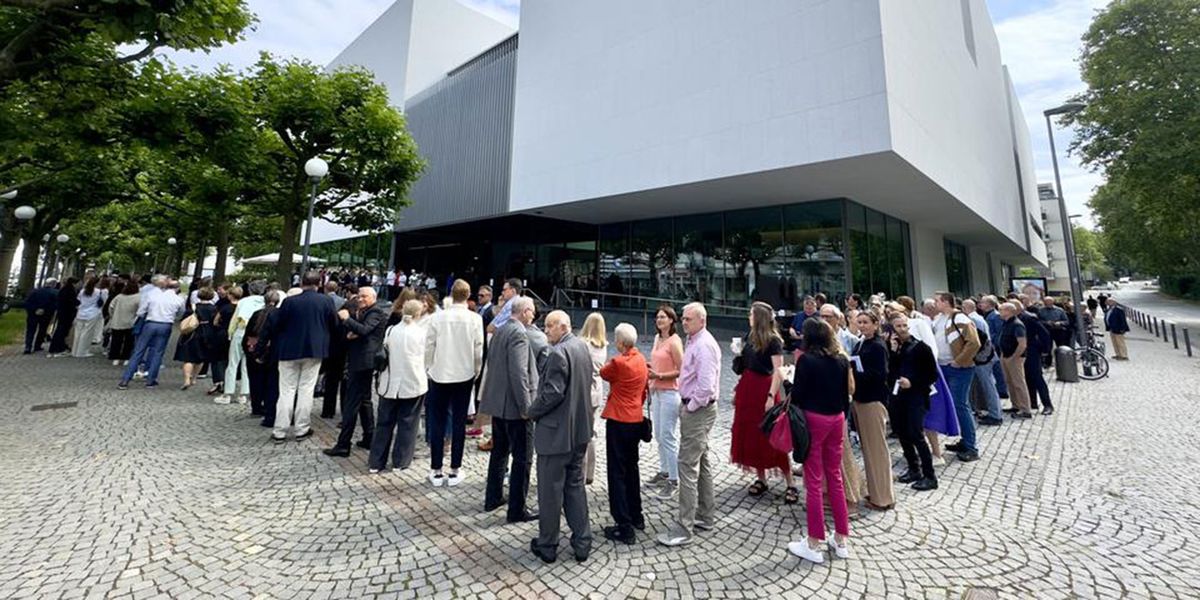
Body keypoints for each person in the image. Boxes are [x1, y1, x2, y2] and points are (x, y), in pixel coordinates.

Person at [528, 310, 594, 564]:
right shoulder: (581, 346)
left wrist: (531, 412)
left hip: (557, 435)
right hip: (579, 432)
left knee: (550, 492)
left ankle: (548, 545)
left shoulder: (558, 353)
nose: (545, 331)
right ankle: (582, 542)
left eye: (548, 327)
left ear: (562, 326)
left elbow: (552, 393)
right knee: (575, 487)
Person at [787, 318, 855, 564]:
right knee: (834, 477)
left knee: (813, 481)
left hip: (814, 419)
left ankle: (814, 542)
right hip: (837, 418)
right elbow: (845, 394)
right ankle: (841, 539)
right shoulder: (841, 359)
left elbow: (799, 394)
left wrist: (788, 382)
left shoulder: (806, 360)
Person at [657, 302, 720, 548]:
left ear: (701, 320)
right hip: (697, 408)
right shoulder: (694, 340)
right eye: (682, 319)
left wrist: (690, 407)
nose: (683, 322)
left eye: (688, 319)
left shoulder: (704, 345)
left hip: (698, 409)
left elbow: (705, 387)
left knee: (687, 466)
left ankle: (685, 527)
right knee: (701, 462)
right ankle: (705, 515)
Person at [255, 272, 339, 443]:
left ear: (302, 283)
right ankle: (302, 428)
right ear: (319, 283)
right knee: (306, 390)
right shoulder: (326, 301)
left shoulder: (289, 302)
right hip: (314, 350)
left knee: (286, 390)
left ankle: (280, 430)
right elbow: (334, 325)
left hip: (288, 350)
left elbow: (277, 324)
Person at [480, 296, 540, 522]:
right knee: (523, 458)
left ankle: (493, 497)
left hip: (499, 404)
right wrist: (526, 407)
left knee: (499, 453)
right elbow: (519, 373)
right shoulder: (518, 334)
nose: (533, 316)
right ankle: (517, 509)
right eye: (532, 312)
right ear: (524, 311)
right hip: (514, 408)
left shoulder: (500, 330)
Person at [730, 302, 795, 503]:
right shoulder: (750, 336)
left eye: (751, 313)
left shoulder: (774, 340)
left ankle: (790, 482)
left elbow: (778, 370)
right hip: (748, 386)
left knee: (772, 434)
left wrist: (770, 396)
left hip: (764, 388)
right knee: (752, 433)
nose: (748, 316)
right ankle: (761, 478)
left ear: (758, 316)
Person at [424, 279, 484, 486]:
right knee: (459, 422)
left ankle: (436, 469)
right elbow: (478, 349)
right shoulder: (475, 319)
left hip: (439, 373)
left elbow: (429, 345)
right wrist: (475, 371)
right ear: (468, 296)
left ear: (451, 294)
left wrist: (428, 368)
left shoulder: (438, 318)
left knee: (437, 420)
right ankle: (455, 469)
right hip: (464, 374)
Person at [599, 323, 649, 545]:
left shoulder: (618, 362)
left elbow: (603, 372)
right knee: (632, 468)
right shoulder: (640, 359)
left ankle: (624, 525)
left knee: (617, 472)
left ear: (619, 342)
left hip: (619, 420)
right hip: (635, 420)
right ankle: (636, 515)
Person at [323, 287, 387, 456]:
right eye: (359, 296)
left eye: (364, 296)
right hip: (359, 360)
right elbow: (361, 330)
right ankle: (369, 438)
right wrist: (353, 330)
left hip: (363, 363)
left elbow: (365, 330)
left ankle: (344, 444)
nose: (360, 299)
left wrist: (346, 320)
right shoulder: (365, 311)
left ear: (373, 297)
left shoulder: (376, 312)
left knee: (352, 404)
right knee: (365, 401)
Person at [370, 298, 428, 471]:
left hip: (389, 382)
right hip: (412, 382)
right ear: (419, 313)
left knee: (383, 423)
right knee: (408, 423)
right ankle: (401, 461)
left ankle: (376, 462)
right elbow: (427, 358)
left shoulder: (391, 330)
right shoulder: (421, 333)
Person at [886, 314, 939, 491]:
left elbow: (932, 375)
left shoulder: (921, 348)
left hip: (916, 397)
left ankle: (930, 475)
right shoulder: (894, 348)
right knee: (903, 433)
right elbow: (891, 372)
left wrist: (913, 382)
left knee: (916, 434)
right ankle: (913, 468)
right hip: (898, 397)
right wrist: (893, 352)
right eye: (898, 326)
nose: (902, 329)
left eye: (904, 325)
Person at [932, 292, 981, 462]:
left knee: (961, 405)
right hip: (944, 366)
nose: (934, 303)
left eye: (937, 300)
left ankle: (971, 446)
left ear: (946, 302)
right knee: (954, 404)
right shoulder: (939, 319)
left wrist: (959, 361)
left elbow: (973, 342)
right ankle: (964, 441)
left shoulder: (959, 318)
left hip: (959, 368)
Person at [851, 310, 894, 510]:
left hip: (873, 400)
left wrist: (855, 374)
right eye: (859, 322)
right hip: (860, 398)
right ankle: (874, 492)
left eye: (866, 322)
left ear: (876, 324)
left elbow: (880, 374)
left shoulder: (877, 346)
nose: (862, 325)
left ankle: (883, 497)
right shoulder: (860, 343)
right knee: (868, 450)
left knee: (877, 450)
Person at [118, 276, 185, 389]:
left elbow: (142, 310)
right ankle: (151, 380)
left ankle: (125, 379)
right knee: (158, 353)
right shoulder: (178, 299)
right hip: (166, 324)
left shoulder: (152, 295)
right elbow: (180, 313)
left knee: (138, 351)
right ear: (177, 288)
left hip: (150, 323)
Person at [646, 305, 683, 497]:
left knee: (668, 436)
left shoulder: (674, 342)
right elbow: (656, 362)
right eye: (657, 317)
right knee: (659, 435)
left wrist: (659, 375)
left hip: (670, 393)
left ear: (671, 320)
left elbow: (681, 369)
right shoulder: (657, 338)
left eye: (663, 317)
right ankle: (664, 471)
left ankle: (674, 479)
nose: (659, 320)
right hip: (657, 391)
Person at [217, 282, 264, 405]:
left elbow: (235, 319)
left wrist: (230, 333)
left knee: (233, 363)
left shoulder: (244, 302)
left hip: (241, 331)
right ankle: (244, 394)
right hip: (255, 336)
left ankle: (228, 393)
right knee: (247, 365)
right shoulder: (264, 302)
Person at [962, 298, 1003, 426]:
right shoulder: (978, 318)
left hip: (982, 358)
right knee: (986, 385)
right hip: (985, 356)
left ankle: (995, 415)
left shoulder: (973, 320)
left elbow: (979, 341)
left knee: (988, 385)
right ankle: (990, 412)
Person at [579, 312, 609, 486]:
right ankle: (590, 472)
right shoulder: (603, 346)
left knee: (582, 432)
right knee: (592, 433)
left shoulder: (583, 345)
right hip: (597, 390)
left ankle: (581, 471)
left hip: (584, 389)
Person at [244, 290, 281, 423]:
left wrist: (250, 351)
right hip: (271, 351)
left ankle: (256, 406)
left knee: (255, 379)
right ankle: (268, 406)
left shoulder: (256, 314)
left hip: (254, 348)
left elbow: (248, 332)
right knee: (270, 381)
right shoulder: (279, 314)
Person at [176, 287, 218, 390]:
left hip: (192, 333)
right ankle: (194, 378)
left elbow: (184, 319)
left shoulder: (193, 307)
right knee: (200, 358)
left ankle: (186, 380)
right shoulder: (214, 308)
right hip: (207, 334)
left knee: (188, 358)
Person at [1018, 297, 1054, 415]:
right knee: (1027, 378)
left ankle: (1047, 404)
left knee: (1037, 377)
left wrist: (1046, 350)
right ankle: (1032, 402)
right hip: (1021, 352)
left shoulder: (1029, 318)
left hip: (1032, 350)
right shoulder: (1014, 319)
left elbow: (1044, 333)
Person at [997, 302, 1033, 419]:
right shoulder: (1006, 323)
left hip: (1015, 358)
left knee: (1018, 383)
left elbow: (1022, 344)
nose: (1000, 312)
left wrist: (1013, 357)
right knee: (1010, 382)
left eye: (1001, 310)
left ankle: (1025, 408)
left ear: (1008, 311)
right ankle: (1016, 405)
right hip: (1006, 355)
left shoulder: (1017, 324)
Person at [978, 295, 1009, 401]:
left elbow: (999, 332)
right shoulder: (986, 315)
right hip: (991, 346)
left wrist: (994, 345)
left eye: (983, 302)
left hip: (994, 347)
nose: (980, 304)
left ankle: (1002, 390)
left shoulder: (995, 316)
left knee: (998, 369)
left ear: (989, 304)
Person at [106, 283, 141, 366]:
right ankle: (126, 358)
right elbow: (140, 310)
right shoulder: (138, 297)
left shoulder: (119, 297)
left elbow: (111, 307)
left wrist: (113, 316)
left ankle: (115, 358)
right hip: (130, 322)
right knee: (128, 342)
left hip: (117, 321)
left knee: (116, 341)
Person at [23, 278, 58, 355]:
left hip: (33, 314)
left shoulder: (34, 291)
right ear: (54, 284)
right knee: (42, 330)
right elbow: (55, 305)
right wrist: (44, 310)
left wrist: (35, 310)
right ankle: (37, 345)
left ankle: (28, 347)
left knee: (30, 330)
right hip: (46, 315)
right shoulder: (55, 293)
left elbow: (27, 303)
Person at [46, 277, 79, 357]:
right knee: (62, 331)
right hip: (67, 314)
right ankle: (59, 348)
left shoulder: (63, 290)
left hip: (62, 313)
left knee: (60, 330)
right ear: (74, 283)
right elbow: (72, 302)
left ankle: (55, 347)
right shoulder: (70, 291)